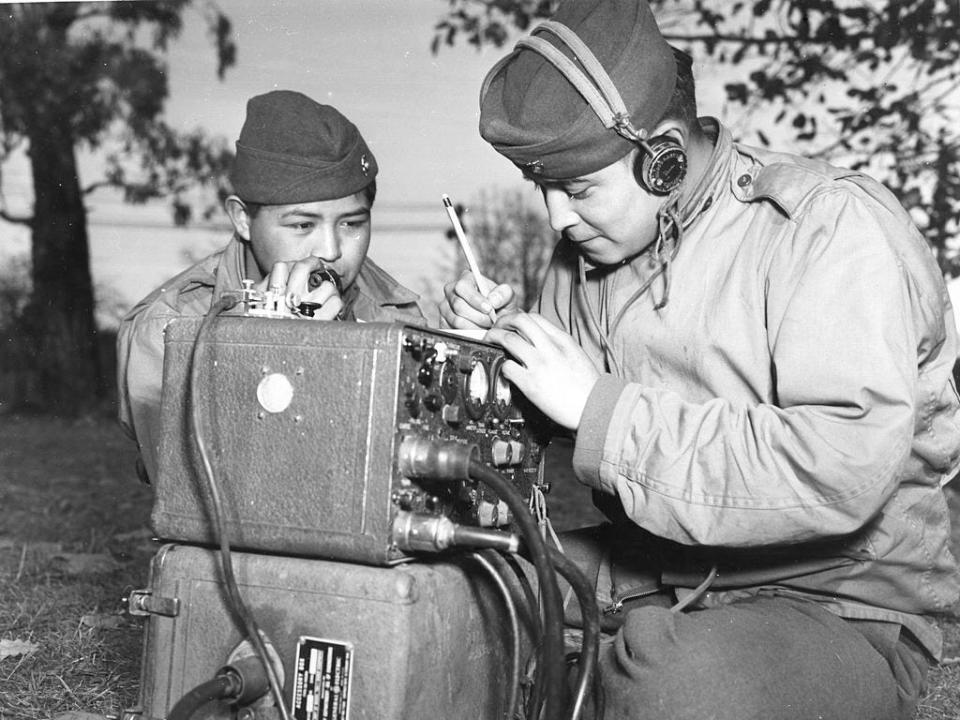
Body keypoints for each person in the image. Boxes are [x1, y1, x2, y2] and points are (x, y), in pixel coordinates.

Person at [440, 0, 960, 717]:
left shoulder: (827, 229)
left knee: (674, 690)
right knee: (454, 588)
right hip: (652, 576)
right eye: (544, 189)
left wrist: (602, 413)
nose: (557, 218)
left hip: (836, 607)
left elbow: (840, 467)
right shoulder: (586, 255)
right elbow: (549, 425)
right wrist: (495, 353)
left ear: (664, 157)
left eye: (578, 189)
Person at [118, 90, 427, 485]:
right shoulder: (169, 330)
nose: (330, 251)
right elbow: (187, 494)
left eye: (352, 223)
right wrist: (253, 354)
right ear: (243, 220)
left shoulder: (394, 314)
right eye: (302, 225)